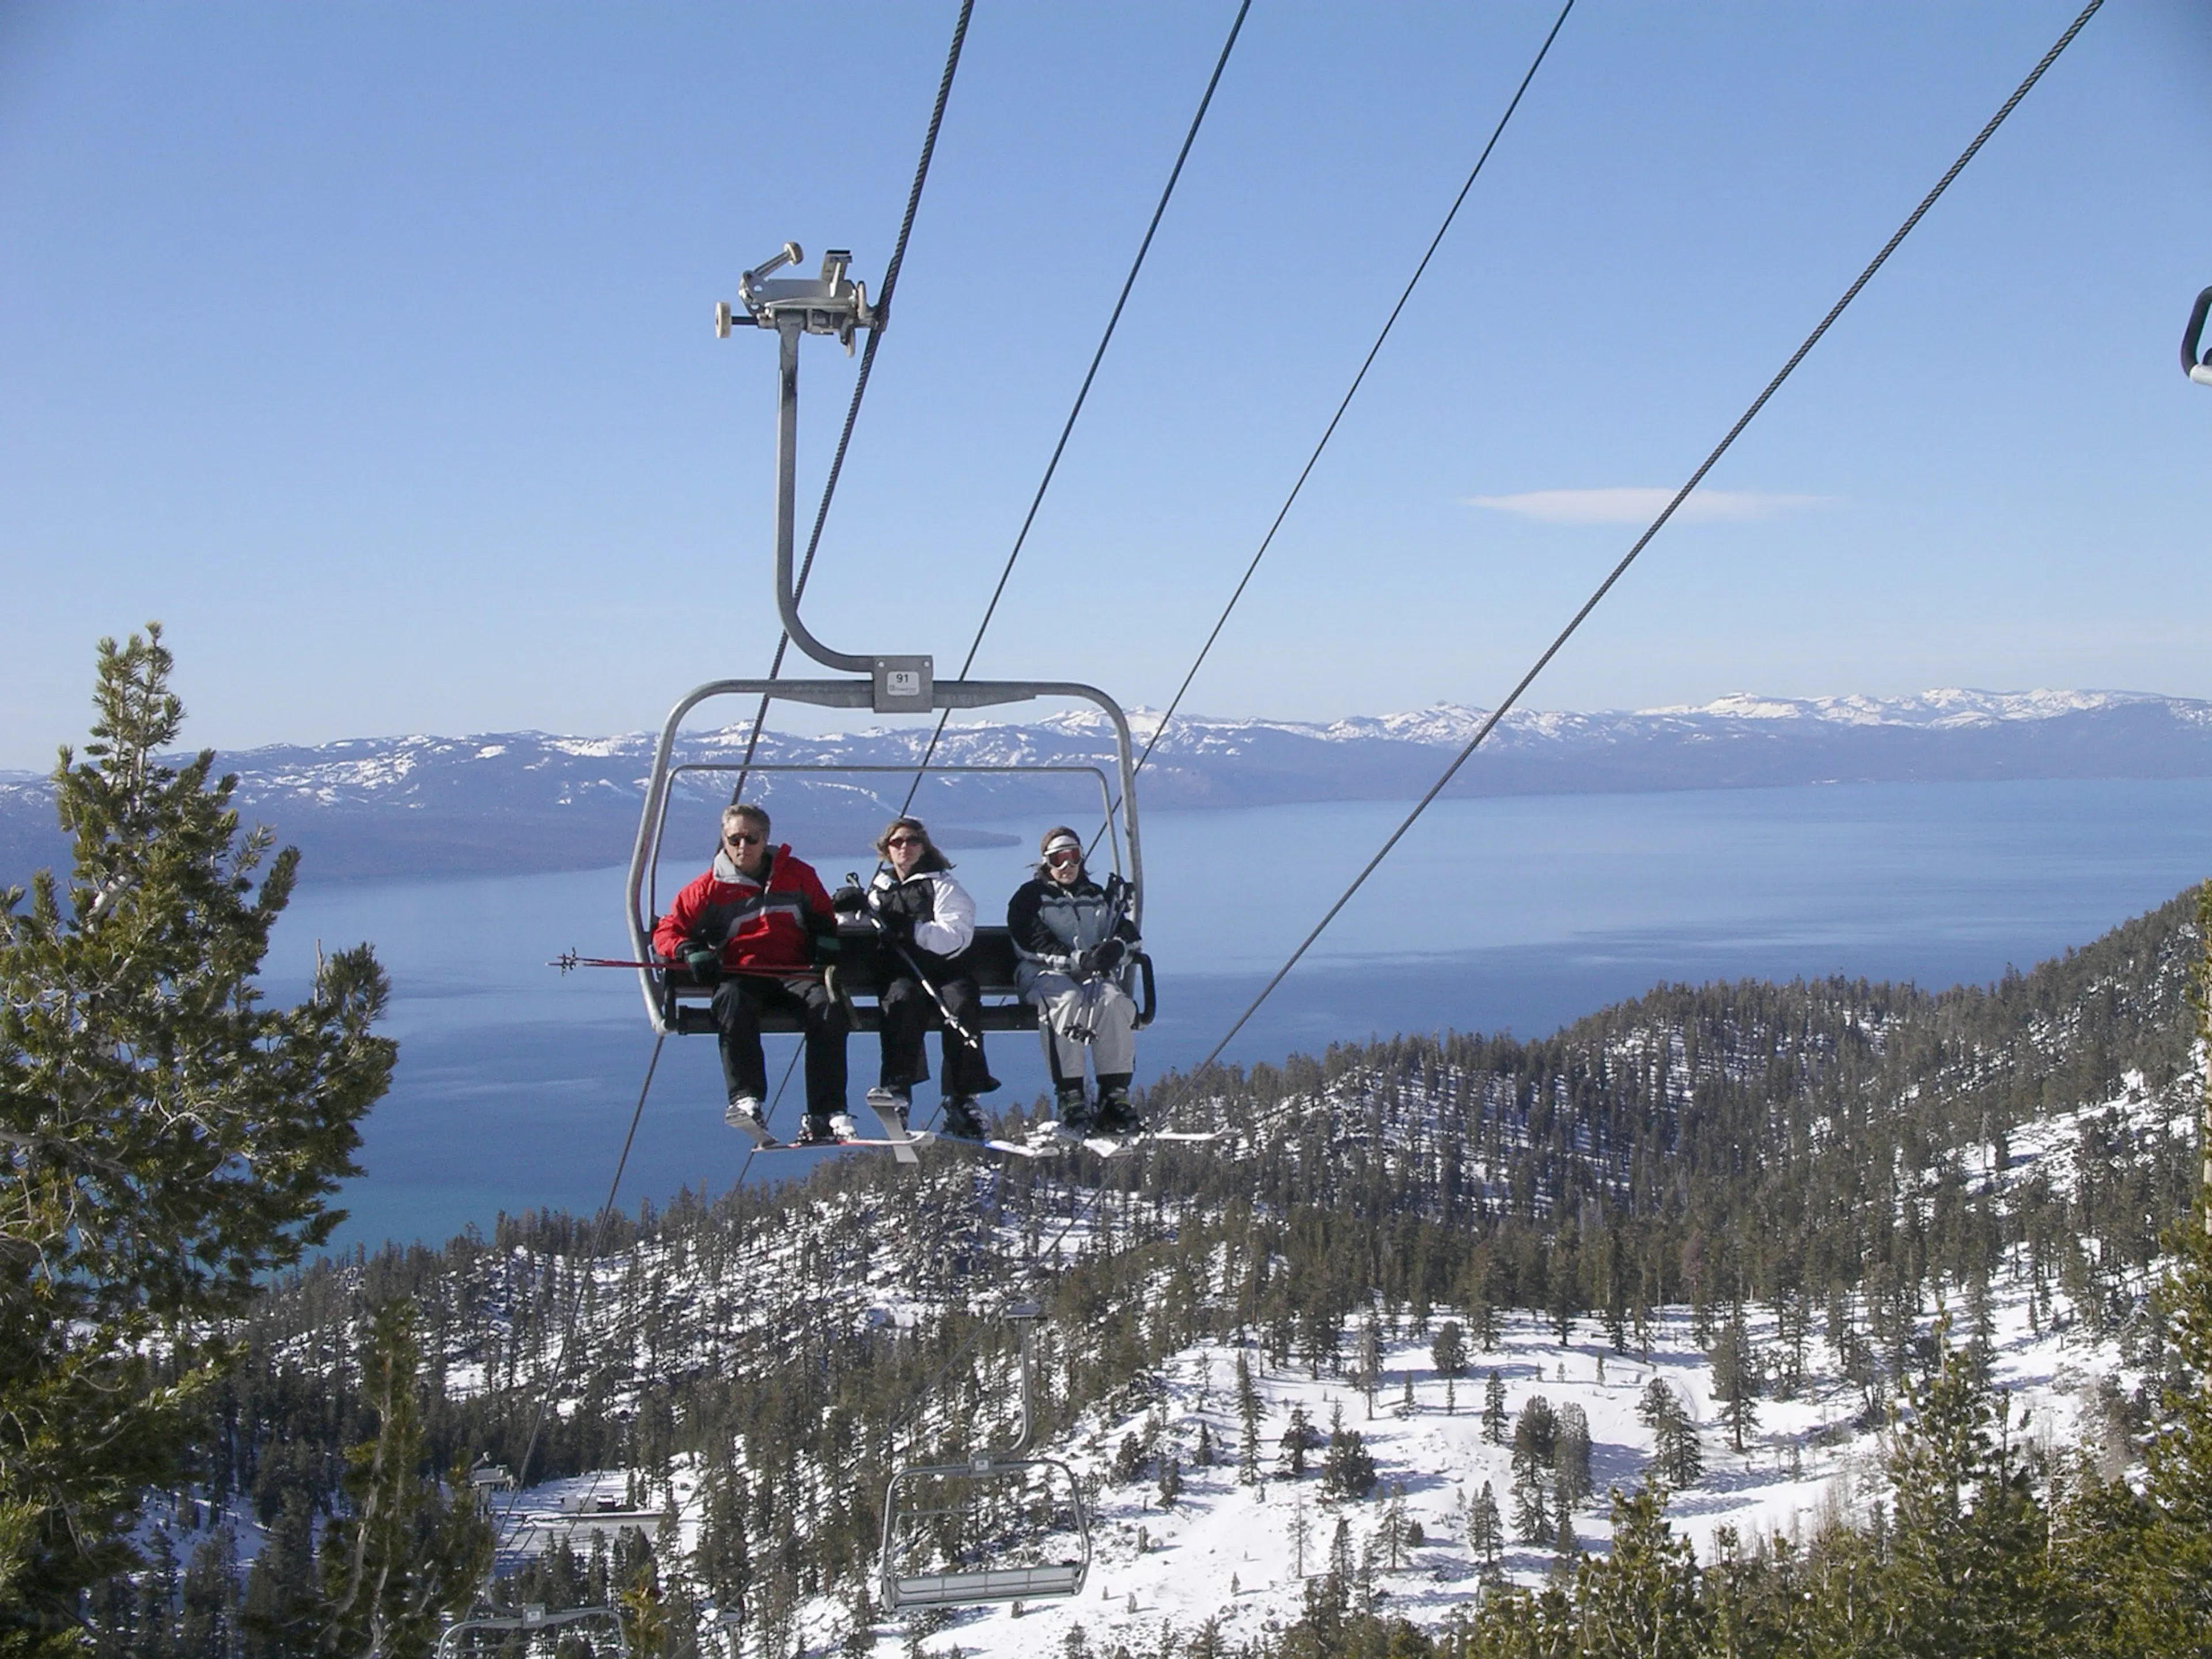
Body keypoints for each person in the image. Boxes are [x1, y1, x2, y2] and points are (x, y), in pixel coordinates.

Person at [652, 803, 850, 1145]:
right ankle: (746, 1097)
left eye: (751, 838)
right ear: (724, 841)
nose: (743, 847)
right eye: (734, 839)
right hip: (744, 975)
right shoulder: (706, 889)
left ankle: (826, 1110)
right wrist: (688, 951)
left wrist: (826, 942)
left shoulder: (798, 876)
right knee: (731, 1000)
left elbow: (823, 914)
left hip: (794, 973)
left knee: (829, 1007)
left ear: (765, 839)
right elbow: (667, 932)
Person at [835, 816, 998, 1139]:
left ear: (924, 846)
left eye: (911, 841)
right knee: (901, 1001)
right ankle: (898, 1090)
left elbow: (957, 936)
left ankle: (963, 1098)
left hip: (943, 970)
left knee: (960, 1004)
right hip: (901, 973)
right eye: (897, 843)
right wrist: (845, 907)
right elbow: (853, 927)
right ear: (886, 850)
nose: (904, 848)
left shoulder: (942, 885)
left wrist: (913, 931)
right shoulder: (879, 889)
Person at [1006, 825, 1143, 1134]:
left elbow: (1129, 935)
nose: (1067, 866)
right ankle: (1071, 1094)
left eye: (1073, 857)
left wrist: (1115, 949)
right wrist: (1077, 958)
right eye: (1058, 860)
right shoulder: (1030, 897)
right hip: (1044, 975)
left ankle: (1114, 1093)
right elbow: (1031, 942)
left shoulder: (1096, 896)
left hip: (1091, 976)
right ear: (1046, 862)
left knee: (1114, 1002)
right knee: (1066, 1002)